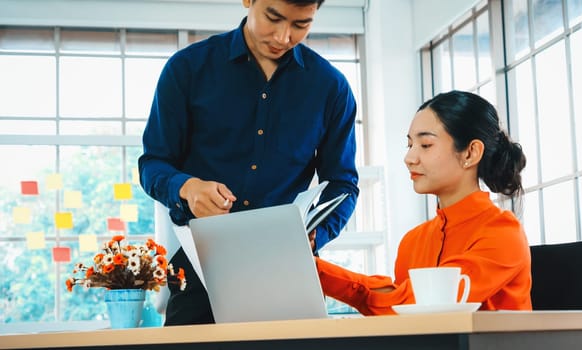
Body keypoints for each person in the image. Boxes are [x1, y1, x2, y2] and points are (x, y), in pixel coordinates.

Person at [138, 0, 359, 325]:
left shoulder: (331, 87)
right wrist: (188, 187)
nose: (284, 37)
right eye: (273, 17)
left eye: (301, 24)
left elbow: (343, 185)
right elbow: (153, 164)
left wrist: (316, 234)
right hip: (199, 268)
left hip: (286, 268)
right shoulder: (187, 69)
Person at [315, 90, 532, 315]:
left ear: (470, 152)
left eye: (426, 145)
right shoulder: (413, 241)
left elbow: (416, 306)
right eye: (410, 145)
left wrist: (318, 272)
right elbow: (401, 304)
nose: (409, 158)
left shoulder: (502, 233)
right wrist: (311, 270)